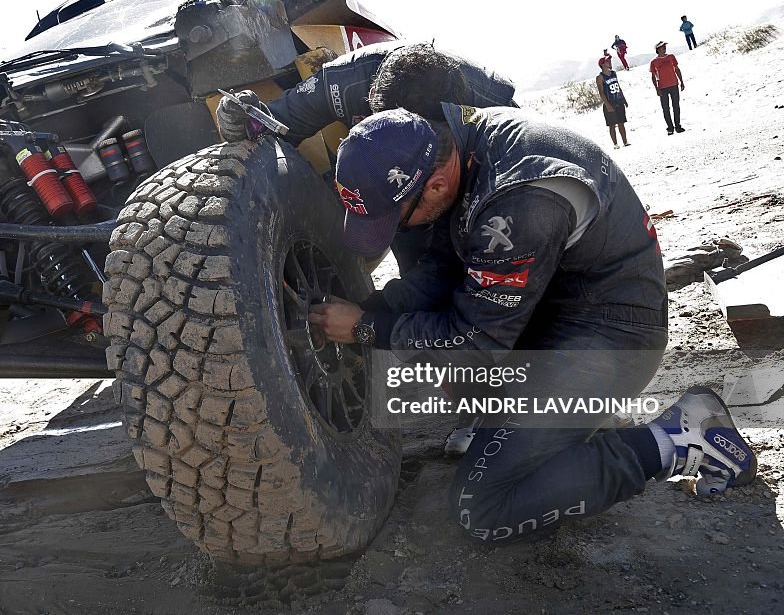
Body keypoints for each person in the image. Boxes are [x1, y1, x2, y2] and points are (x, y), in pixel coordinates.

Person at [306, 104, 757, 543]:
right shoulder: (465, 146)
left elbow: (476, 342)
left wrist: (367, 328)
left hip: (611, 336)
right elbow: (441, 270)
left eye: (397, 220)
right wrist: (372, 307)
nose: (393, 233)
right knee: (450, 369)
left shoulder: (521, 202)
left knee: (481, 507)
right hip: (557, 311)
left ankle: (678, 438)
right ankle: (545, 425)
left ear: (437, 187)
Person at [216, 41, 518, 274]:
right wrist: (241, 121)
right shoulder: (344, 84)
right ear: (374, 105)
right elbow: (273, 123)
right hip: (392, 183)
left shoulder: (488, 104)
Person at [650, 41, 686, 135]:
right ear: (658, 49)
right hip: (662, 87)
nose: (664, 48)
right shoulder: (654, 62)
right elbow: (653, 76)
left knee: (676, 106)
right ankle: (670, 127)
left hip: (674, 84)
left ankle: (678, 126)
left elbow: (677, 69)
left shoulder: (671, 57)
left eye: (665, 46)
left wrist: (681, 81)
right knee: (665, 108)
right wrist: (656, 89)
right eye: (662, 47)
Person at [596, 55, 630, 148]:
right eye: (607, 61)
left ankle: (625, 142)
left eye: (610, 61)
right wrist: (607, 105)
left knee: (621, 122)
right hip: (610, 102)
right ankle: (615, 144)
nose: (610, 62)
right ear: (602, 64)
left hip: (618, 100)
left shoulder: (614, 73)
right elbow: (601, 92)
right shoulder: (600, 77)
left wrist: (623, 99)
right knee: (612, 124)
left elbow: (618, 87)